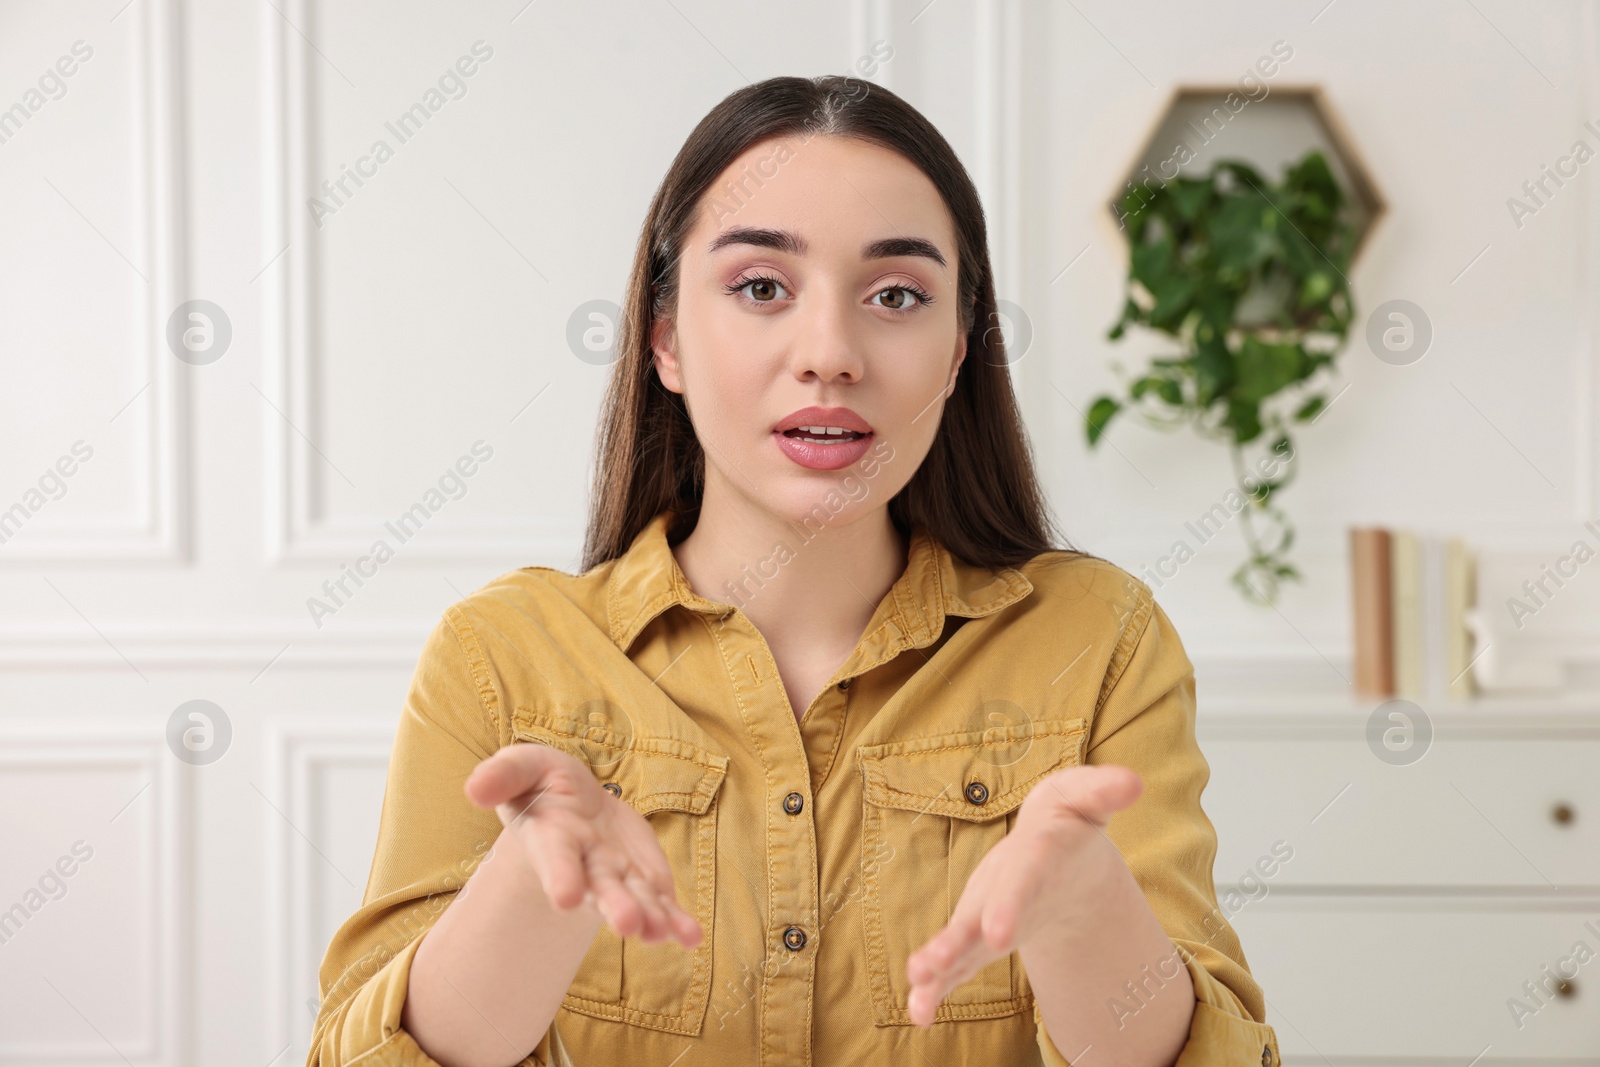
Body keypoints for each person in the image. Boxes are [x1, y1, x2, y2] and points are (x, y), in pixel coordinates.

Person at [307, 74, 1281, 1067]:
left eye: (896, 295)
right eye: (761, 287)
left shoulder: (1098, 637)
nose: (830, 353)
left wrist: (1086, 912)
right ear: (666, 338)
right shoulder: (500, 657)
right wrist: (526, 889)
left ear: (955, 351)